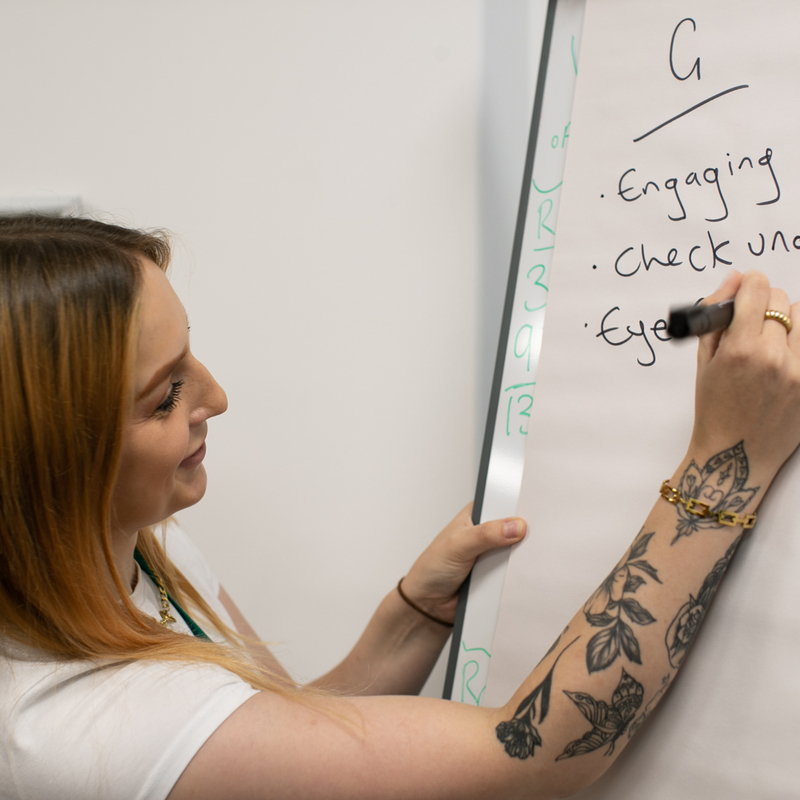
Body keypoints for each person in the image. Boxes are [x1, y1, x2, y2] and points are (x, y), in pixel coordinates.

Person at [0, 214, 798, 800]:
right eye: (167, 393)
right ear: (58, 463)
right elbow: (532, 755)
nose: (216, 396)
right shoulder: (88, 732)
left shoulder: (129, 547)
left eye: (190, 355)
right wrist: (730, 458)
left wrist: (414, 614)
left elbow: (290, 729)